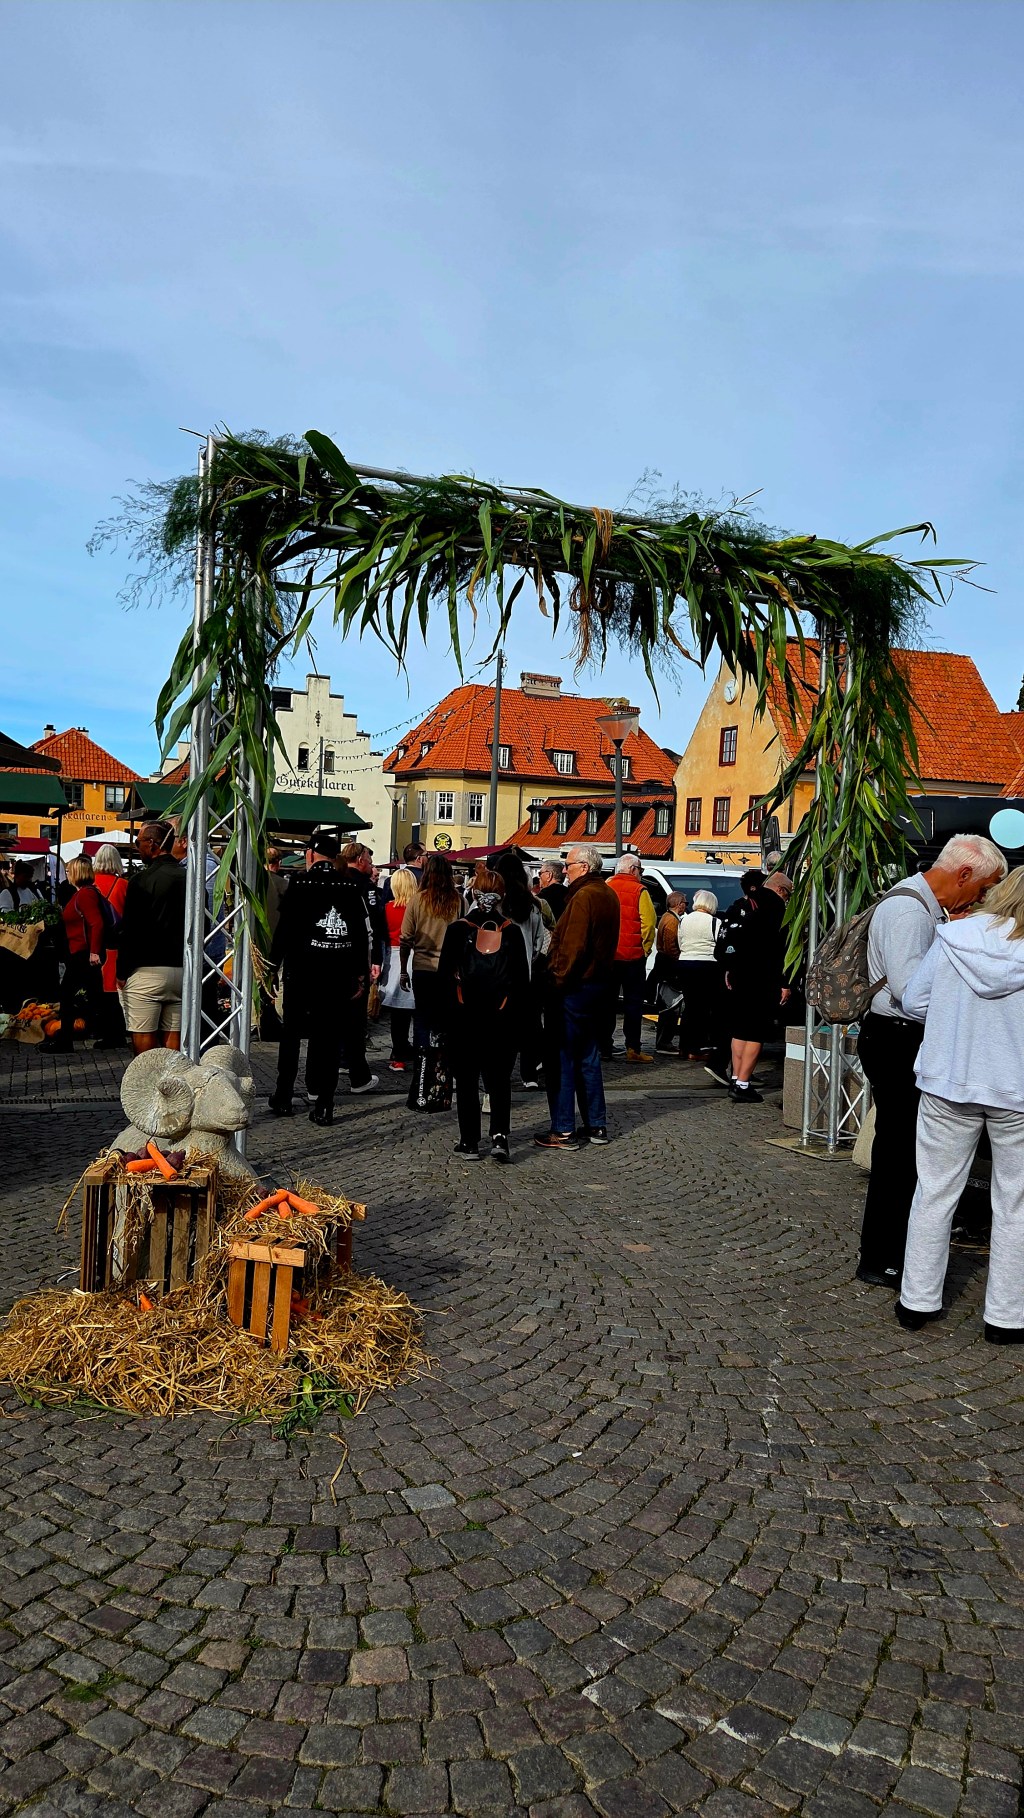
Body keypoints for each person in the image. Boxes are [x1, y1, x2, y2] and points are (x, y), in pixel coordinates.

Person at [856, 832, 1006, 1287]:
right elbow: (911, 994)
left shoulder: (922, 905)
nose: (981, 898)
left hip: (896, 1037)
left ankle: (891, 1252)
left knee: (902, 1150)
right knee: (900, 1153)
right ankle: (884, 1256)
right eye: (983, 888)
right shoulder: (910, 910)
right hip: (896, 1038)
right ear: (964, 873)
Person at [896, 868, 1024, 1341]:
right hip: (1017, 1089)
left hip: (949, 1078)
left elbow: (914, 1001)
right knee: (1016, 1203)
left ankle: (917, 1301)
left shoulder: (957, 936)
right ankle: (1006, 1317)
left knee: (934, 1191)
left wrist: (957, 1015)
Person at [269, 830, 374, 1123]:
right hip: (337, 973)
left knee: (291, 1035)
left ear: (311, 855)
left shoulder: (300, 883)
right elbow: (359, 935)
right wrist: (361, 975)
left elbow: (284, 931)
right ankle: (324, 1103)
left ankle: (284, 1095)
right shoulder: (349, 885)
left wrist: (271, 966)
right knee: (327, 1037)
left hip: (301, 972)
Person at [438, 865, 529, 1162]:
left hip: (464, 1015)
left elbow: (444, 978)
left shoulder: (457, 930)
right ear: (502, 896)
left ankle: (469, 1141)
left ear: (474, 893)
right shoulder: (512, 931)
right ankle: (500, 1136)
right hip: (501, 1016)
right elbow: (522, 981)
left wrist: (444, 1020)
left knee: (466, 1080)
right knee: (499, 1080)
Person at [536, 844, 620, 1151]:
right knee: (588, 1056)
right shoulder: (607, 893)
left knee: (563, 1058)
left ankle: (563, 1129)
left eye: (569, 865)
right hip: (598, 985)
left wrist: (555, 981)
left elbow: (573, 947)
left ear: (584, 867)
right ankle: (596, 1124)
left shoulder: (584, 896)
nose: (565, 870)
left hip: (575, 986)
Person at [719, 870, 793, 1104]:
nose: (787, 899)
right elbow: (782, 950)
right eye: (788, 894)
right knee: (755, 1032)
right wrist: (785, 982)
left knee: (739, 1029)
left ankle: (735, 1077)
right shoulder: (778, 911)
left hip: (739, 974)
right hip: (763, 978)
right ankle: (743, 1083)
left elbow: (730, 940)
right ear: (780, 890)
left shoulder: (743, 904)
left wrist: (730, 968)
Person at [116, 820, 187, 1054]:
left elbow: (130, 929)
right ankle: (172, 1078)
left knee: (144, 1051)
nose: (137, 848)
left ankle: (149, 1079)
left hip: (146, 971)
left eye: (138, 843)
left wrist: (122, 971)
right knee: (174, 1047)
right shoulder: (189, 879)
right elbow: (203, 925)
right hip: (182, 970)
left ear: (152, 844)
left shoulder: (141, 880)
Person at [491, 848, 548, 1087]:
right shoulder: (532, 905)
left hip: (497, 974)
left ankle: (499, 1075)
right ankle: (529, 1074)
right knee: (528, 1025)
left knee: (500, 1028)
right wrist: (530, 960)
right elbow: (539, 941)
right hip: (525, 974)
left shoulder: (495, 904)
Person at [400, 853, 462, 1051]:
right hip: (449, 970)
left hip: (422, 967)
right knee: (446, 1019)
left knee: (422, 1018)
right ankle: (442, 1063)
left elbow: (405, 937)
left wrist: (403, 969)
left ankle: (422, 1063)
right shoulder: (459, 901)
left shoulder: (417, 900)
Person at [47, 856, 106, 1051]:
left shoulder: (85, 895)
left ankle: (65, 1040)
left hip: (83, 953)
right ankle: (109, 1033)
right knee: (94, 994)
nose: (67, 874)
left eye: (68, 871)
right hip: (82, 952)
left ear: (76, 873)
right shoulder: (84, 893)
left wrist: (94, 952)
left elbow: (96, 923)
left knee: (67, 994)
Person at [605, 854, 657, 1063]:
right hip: (633, 957)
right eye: (641, 870)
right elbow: (649, 923)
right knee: (633, 1005)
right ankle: (633, 1049)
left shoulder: (607, 886)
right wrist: (645, 949)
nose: (641, 874)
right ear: (634, 869)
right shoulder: (639, 890)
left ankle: (604, 1047)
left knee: (607, 1004)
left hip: (609, 956)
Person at [675, 889, 723, 1059]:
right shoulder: (715, 922)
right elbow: (719, 944)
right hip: (707, 964)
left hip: (685, 963)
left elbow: (680, 941)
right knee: (703, 1008)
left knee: (689, 1006)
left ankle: (684, 1046)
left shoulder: (683, 920)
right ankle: (696, 1048)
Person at [91, 844, 129, 1049]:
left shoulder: (90, 884)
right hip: (118, 947)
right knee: (115, 992)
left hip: (95, 946)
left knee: (100, 991)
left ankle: (104, 1031)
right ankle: (118, 1032)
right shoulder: (124, 885)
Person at [381, 866, 417, 1071]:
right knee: (418, 1012)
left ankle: (398, 1055)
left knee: (398, 1014)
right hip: (416, 957)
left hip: (394, 958)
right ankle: (420, 1052)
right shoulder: (419, 908)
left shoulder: (387, 908)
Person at [258, 845, 289, 1041]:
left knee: (254, 982)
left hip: (255, 944)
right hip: (279, 942)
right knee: (280, 983)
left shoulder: (253, 885)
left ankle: (253, 1023)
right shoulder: (283, 885)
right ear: (279, 862)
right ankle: (282, 1019)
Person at [653, 891, 688, 1053]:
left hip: (664, 965)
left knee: (669, 1005)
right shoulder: (671, 921)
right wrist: (679, 960)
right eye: (685, 903)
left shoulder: (667, 918)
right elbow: (670, 947)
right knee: (671, 1005)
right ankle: (664, 1042)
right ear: (678, 904)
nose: (686, 906)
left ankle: (664, 1041)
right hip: (669, 967)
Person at [537, 858, 568, 922]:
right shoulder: (571, 893)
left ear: (549, 875)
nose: (539, 877)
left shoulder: (542, 896)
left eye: (540, 873)